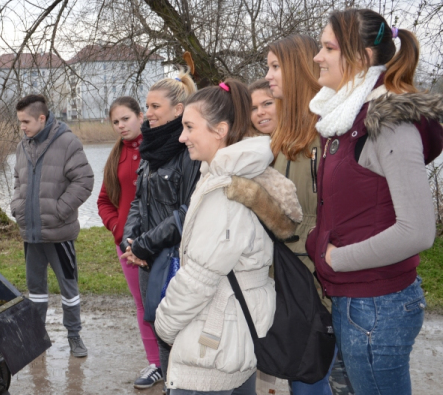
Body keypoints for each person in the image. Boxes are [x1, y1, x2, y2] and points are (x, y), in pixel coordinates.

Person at [307, 9, 442, 395]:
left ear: (363, 56)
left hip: (377, 306)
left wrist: (336, 259)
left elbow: (417, 231)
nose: (318, 56)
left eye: (328, 47)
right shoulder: (345, 119)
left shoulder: (387, 121)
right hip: (359, 301)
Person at [155, 79, 301, 395]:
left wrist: (164, 324)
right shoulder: (239, 177)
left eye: (190, 127)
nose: (182, 137)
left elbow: (198, 278)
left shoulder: (226, 191)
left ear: (220, 130)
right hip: (235, 335)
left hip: (213, 345)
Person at [266, 34, 350, 395]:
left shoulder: (326, 135)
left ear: (298, 70)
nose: (268, 75)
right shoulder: (280, 137)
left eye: (275, 66)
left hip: (315, 287)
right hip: (287, 283)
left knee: (311, 382)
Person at [120, 71, 201, 385]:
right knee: (159, 328)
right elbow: (139, 199)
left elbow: (188, 211)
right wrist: (132, 241)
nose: (148, 113)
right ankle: (170, 385)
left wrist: (146, 244)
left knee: (182, 335)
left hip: (177, 260)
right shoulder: (150, 149)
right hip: (147, 259)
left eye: (155, 107)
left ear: (178, 110)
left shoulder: (188, 150)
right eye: (147, 106)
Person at [10, 94, 94, 358]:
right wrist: (17, 207)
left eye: (26, 121)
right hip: (31, 234)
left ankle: (74, 337)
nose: (22, 126)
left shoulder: (67, 142)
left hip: (59, 234)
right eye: (20, 122)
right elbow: (17, 180)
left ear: (42, 118)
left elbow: (85, 180)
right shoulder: (22, 146)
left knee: (69, 290)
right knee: (35, 292)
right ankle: (37, 338)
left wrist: (59, 210)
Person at [97, 96, 163, 389]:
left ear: (140, 116)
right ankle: (156, 363)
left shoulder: (160, 145)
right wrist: (117, 229)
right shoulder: (115, 156)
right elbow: (103, 201)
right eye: (116, 121)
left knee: (168, 301)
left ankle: (176, 359)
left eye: (126, 118)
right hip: (128, 246)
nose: (121, 125)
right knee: (142, 304)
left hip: (161, 240)